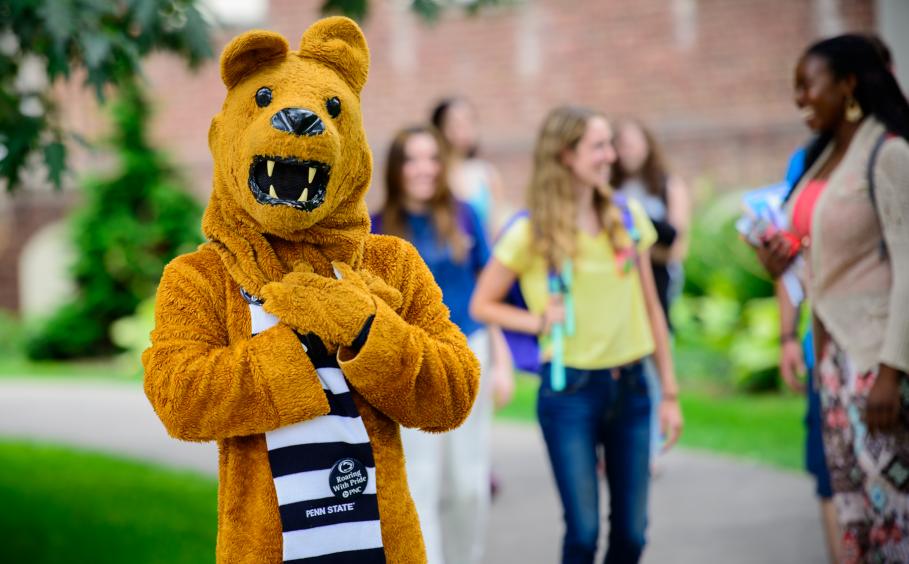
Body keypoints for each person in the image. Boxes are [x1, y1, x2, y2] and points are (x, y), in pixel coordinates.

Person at [470, 106, 683, 564]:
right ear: (566, 155)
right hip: (571, 395)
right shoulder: (532, 231)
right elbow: (481, 303)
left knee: (631, 536)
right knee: (583, 535)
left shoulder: (627, 218)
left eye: (610, 145)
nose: (612, 155)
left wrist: (668, 391)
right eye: (599, 146)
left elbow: (652, 307)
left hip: (631, 389)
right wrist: (538, 321)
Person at [756, 34, 909, 562]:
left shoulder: (889, 154)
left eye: (807, 85)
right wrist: (781, 259)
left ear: (848, 85)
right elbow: (820, 253)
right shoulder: (822, 159)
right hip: (832, 359)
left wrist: (893, 368)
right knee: (853, 515)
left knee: (897, 515)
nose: (799, 98)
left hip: (876, 360)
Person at [371, 124, 506, 564]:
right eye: (413, 159)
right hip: (410, 363)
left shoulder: (465, 215)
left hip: (469, 351)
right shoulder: (376, 227)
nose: (425, 169)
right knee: (420, 481)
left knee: (470, 483)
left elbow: (490, 291)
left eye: (432, 158)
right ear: (397, 168)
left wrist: (502, 363)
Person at [612, 119, 691, 461]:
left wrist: (635, 247)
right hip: (618, 288)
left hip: (659, 284)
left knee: (654, 360)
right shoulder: (611, 188)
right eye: (622, 144)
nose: (627, 150)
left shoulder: (666, 186)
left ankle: (653, 449)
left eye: (634, 142)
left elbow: (676, 246)